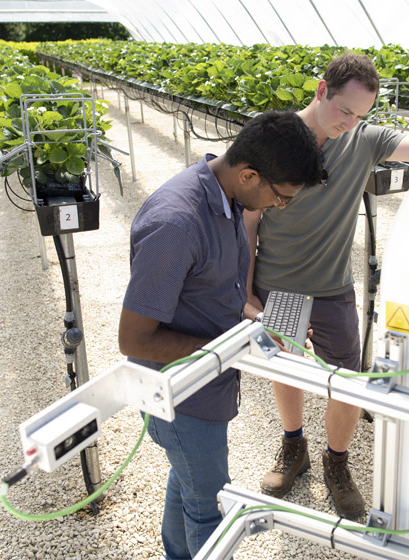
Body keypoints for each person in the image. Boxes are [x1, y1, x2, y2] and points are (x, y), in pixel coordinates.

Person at [243, 53, 409, 520]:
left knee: (346, 378)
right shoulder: (275, 137)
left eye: (361, 116)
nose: (349, 123)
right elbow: (248, 219)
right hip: (277, 283)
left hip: (331, 286)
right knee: (285, 369)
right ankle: (294, 449)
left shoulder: (364, 141)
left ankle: (337, 463)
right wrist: (246, 291)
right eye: (344, 110)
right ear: (322, 89)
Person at [118, 109, 323, 560]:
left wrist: (257, 327)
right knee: (210, 507)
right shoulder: (177, 224)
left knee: (189, 483)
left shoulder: (230, 197)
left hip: (207, 388)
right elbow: (134, 339)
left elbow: (215, 293)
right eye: (281, 197)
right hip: (181, 398)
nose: (279, 207)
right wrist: (230, 348)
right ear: (249, 174)